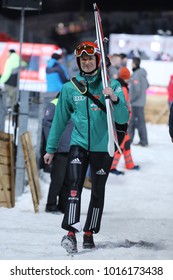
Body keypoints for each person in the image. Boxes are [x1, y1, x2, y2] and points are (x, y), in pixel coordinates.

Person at [44, 41, 129, 254]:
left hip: (103, 146)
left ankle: (89, 232)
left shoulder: (112, 85)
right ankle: (71, 233)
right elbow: (59, 121)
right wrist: (51, 148)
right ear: (78, 62)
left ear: (98, 60)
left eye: (90, 58)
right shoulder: (69, 87)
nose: (87, 62)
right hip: (79, 144)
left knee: (97, 191)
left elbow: (123, 118)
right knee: (74, 187)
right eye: (83, 59)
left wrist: (115, 98)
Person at [40, 93, 73, 214]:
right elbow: (47, 126)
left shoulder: (73, 104)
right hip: (60, 148)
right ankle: (51, 204)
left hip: (70, 147)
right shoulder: (55, 104)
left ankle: (63, 206)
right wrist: (52, 146)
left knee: (67, 179)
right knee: (58, 178)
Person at [110, 66, 140, 175]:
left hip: (122, 121)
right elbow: (123, 106)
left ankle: (129, 164)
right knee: (121, 145)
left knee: (126, 143)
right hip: (122, 122)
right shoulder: (123, 89)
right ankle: (112, 167)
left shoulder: (119, 86)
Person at [128, 57, 149, 147]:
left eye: (132, 63)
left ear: (134, 64)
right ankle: (134, 139)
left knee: (136, 122)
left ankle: (142, 141)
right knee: (137, 122)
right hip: (140, 102)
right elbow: (147, 85)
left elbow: (137, 90)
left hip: (136, 103)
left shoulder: (136, 75)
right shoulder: (142, 74)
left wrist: (130, 99)